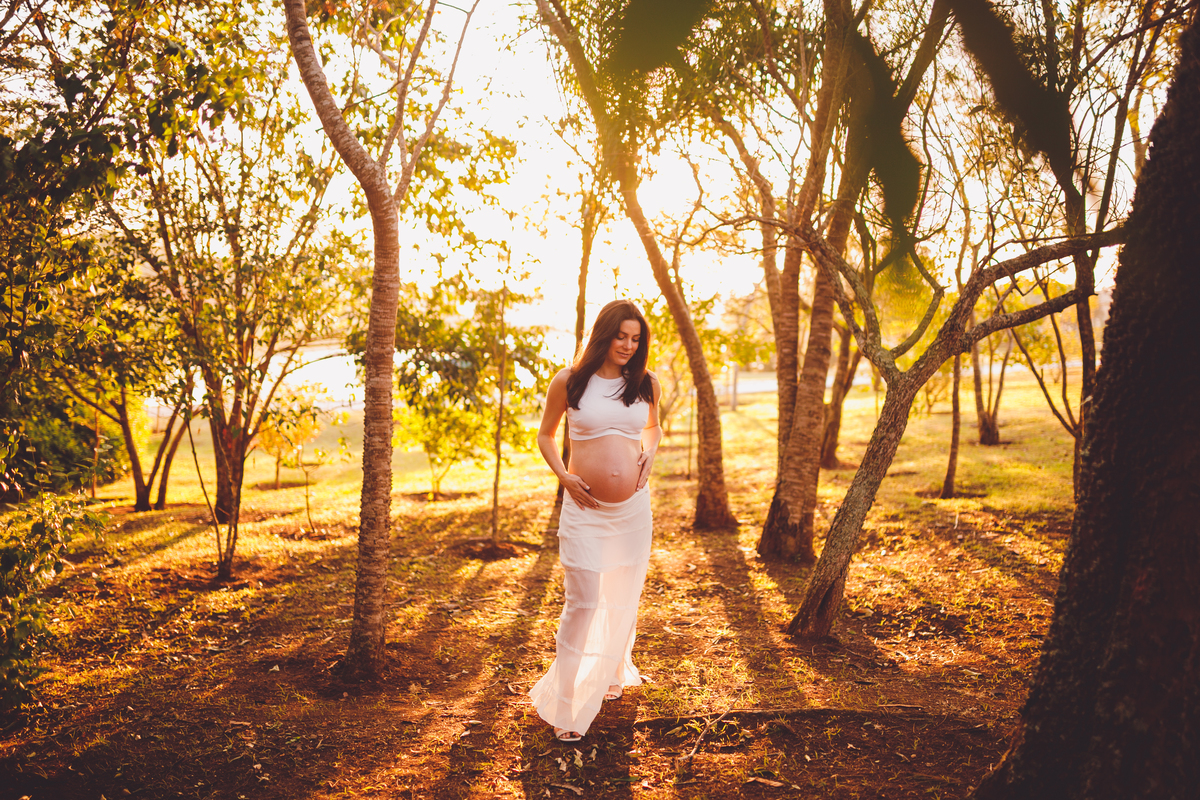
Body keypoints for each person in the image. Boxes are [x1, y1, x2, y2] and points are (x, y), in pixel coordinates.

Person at [529, 299, 662, 742]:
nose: (628, 345)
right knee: (582, 603)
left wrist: (650, 453)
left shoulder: (645, 384)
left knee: (623, 594)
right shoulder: (569, 382)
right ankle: (565, 703)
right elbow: (546, 434)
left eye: (635, 338)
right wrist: (564, 476)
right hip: (584, 512)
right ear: (604, 335)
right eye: (621, 336)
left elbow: (654, 428)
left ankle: (610, 670)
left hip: (633, 512)